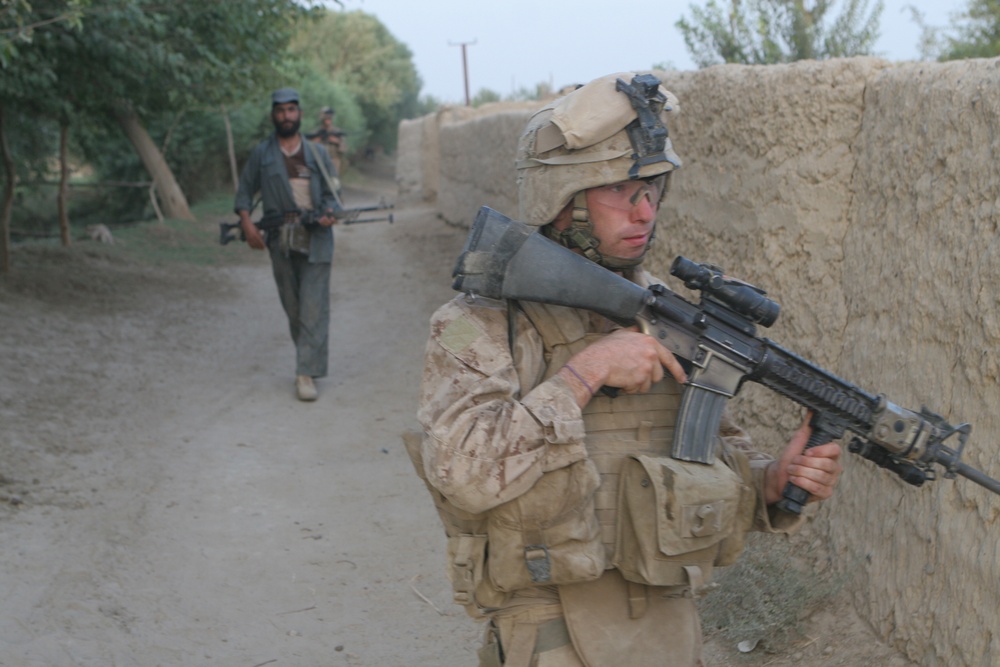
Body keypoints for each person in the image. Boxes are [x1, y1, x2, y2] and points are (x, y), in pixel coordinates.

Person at [411, 72, 843, 667]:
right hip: (551, 625)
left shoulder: (665, 314)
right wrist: (584, 374)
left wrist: (771, 483)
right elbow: (463, 470)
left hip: (668, 620)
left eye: (653, 189)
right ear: (561, 199)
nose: (644, 211)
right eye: (619, 190)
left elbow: (703, 459)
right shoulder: (474, 323)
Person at [234, 88, 340, 402]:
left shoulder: (317, 154)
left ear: (300, 114)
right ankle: (307, 359)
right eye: (280, 111)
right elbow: (244, 192)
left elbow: (334, 196)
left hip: (316, 240)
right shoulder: (263, 154)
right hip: (280, 240)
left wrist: (329, 215)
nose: (286, 116)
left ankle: (304, 373)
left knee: (313, 308)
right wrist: (247, 223)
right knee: (293, 308)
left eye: (292, 110)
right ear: (273, 115)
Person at [308, 106, 348, 175]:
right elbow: (307, 149)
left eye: (330, 118)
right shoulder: (316, 132)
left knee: (333, 183)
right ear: (322, 118)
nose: (328, 119)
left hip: (333, 164)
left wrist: (337, 142)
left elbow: (344, 150)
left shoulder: (337, 132)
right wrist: (316, 141)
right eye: (326, 118)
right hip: (319, 163)